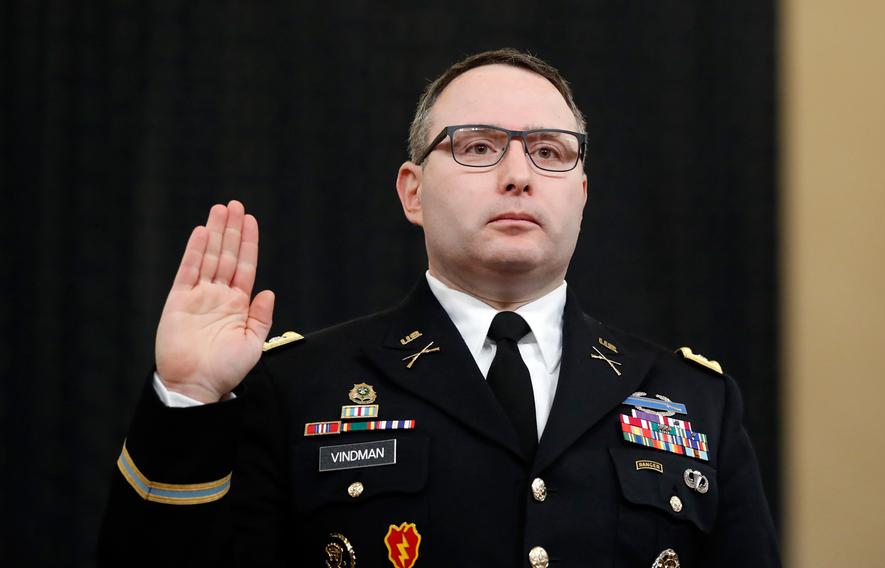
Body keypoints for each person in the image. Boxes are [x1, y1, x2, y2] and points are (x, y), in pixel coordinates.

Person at [99, 48, 780, 567]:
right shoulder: (298, 387)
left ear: (582, 193)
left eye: (549, 152)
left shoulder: (694, 401)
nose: (518, 174)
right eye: (479, 147)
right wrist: (187, 400)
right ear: (413, 192)